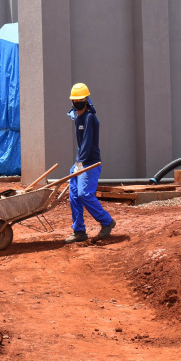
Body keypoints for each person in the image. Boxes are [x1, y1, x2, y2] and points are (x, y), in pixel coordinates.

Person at [65, 83, 115, 243]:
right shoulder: (78, 117)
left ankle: (107, 221)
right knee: (74, 195)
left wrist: (79, 165)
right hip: (80, 161)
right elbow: (81, 146)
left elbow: (86, 144)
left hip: (90, 163)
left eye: (81, 99)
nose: (78, 101)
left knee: (84, 194)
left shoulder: (89, 118)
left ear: (86, 100)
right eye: (75, 99)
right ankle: (79, 230)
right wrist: (77, 164)